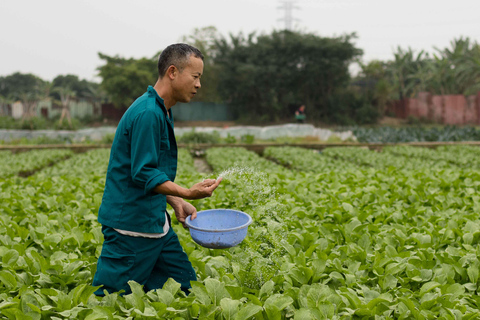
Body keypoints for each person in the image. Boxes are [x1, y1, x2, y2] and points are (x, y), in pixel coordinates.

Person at [92, 43, 222, 296]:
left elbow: (153, 171)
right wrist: (187, 193)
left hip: (156, 225)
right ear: (173, 72)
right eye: (195, 77)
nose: (198, 85)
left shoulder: (162, 109)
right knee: (111, 303)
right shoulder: (148, 113)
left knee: (187, 290)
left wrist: (175, 202)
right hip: (131, 229)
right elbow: (143, 173)